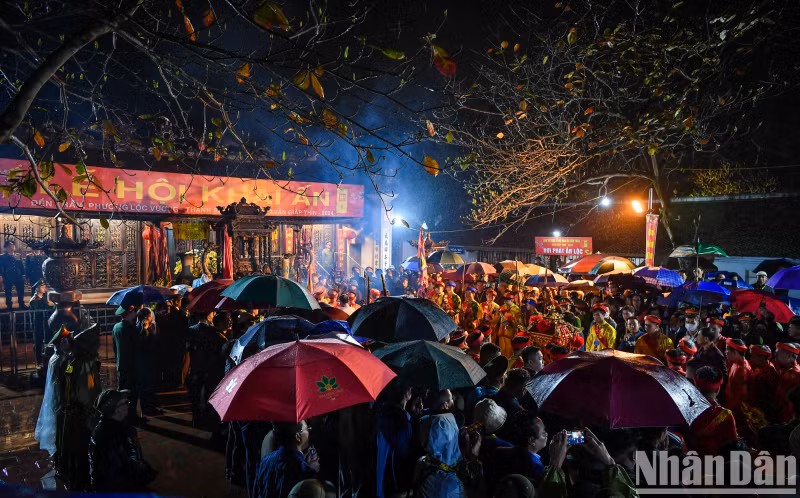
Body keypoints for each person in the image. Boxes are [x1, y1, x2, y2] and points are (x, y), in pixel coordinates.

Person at [89, 389, 156, 491]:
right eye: (124, 402)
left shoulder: (102, 428)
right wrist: (146, 472)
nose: (128, 403)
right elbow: (127, 465)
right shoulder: (118, 434)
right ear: (117, 410)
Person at [254, 420, 319, 498]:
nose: (309, 431)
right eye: (307, 429)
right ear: (298, 437)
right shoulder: (302, 468)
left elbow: (257, 491)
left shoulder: (265, 460)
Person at [687, 366, 739, 455]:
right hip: (716, 463)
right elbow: (733, 444)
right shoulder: (724, 414)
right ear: (718, 388)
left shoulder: (686, 407)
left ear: (696, 385)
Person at [488, 411, 547, 488]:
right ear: (532, 440)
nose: (547, 434)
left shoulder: (499, 451)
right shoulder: (537, 468)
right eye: (543, 433)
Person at [375, 381, 414, 497]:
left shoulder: (380, 413)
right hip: (393, 484)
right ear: (406, 393)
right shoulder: (402, 421)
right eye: (410, 389)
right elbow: (402, 455)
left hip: (378, 481)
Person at [112, 306, 141, 424]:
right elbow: (138, 345)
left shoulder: (116, 327)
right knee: (132, 392)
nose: (135, 313)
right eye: (133, 312)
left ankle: (122, 415)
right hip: (132, 364)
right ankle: (131, 415)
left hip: (121, 363)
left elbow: (114, 347)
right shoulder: (130, 328)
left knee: (122, 391)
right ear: (129, 313)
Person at [748, 344, 779, 419]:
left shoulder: (769, 372)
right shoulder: (759, 367)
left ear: (761, 358)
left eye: (753, 355)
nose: (750, 358)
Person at [774, 342, 800, 423]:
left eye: (779, 353)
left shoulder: (795, 374)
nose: (775, 355)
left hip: (788, 418)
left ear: (789, 356)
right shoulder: (785, 370)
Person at [725, 338, 751, 411]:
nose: (725, 352)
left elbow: (740, 396)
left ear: (735, 353)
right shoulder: (735, 363)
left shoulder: (742, 370)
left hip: (735, 409)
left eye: (727, 350)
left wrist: (728, 410)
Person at [0, 240, 26, 309]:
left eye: (13, 246)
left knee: (21, 291)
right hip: (8, 276)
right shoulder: (2, 257)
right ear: (7, 248)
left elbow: (21, 266)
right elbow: (1, 267)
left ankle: (21, 304)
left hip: (18, 276)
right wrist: (1, 276)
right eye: (10, 246)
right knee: (8, 292)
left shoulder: (17, 256)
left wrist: (23, 274)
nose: (12, 248)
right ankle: (9, 305)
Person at [28, 279, 50, 363]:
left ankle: (45, 360)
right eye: (43, 286)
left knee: (46, 341)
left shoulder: (43, 298)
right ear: (37, 288)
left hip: (44, 324)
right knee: (38, 343)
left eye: (45, 286)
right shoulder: (33, 300)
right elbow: (38, 313)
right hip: (37, 325)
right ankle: (38, 361)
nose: (45, 288)